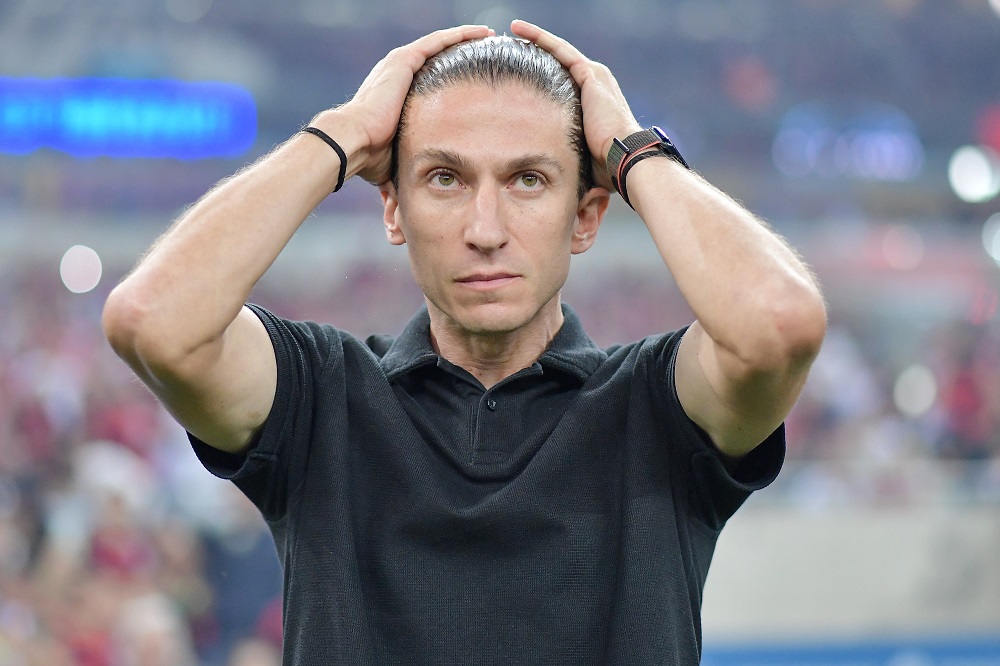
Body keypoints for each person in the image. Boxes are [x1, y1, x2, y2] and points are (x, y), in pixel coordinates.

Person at [102, 19, 827, 665]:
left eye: (528, 180)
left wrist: (635, 152)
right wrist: (344, 132)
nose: (485, 229)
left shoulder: (655, 404)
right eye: (445, 178)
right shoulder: (322, 395)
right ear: (393, 208)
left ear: (586, 216)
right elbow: (153, 322)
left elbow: (779, 323)